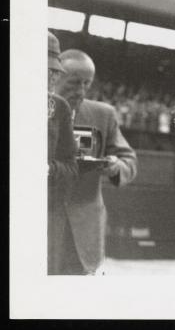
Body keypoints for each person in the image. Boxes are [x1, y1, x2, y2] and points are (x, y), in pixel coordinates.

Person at [55, 49, 138, 275]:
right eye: (73, 83)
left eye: (86, 84)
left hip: (84, 228)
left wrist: (115, 166)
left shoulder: (103, 114)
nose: (80, 91)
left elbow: (128, 160)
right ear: (54, 76)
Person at [47, 31, 79, 274]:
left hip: (45, 209)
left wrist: (49, 168)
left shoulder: (59, 107)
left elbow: (71, 165)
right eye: (45, 67)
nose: (52, 74)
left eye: (55, 69)